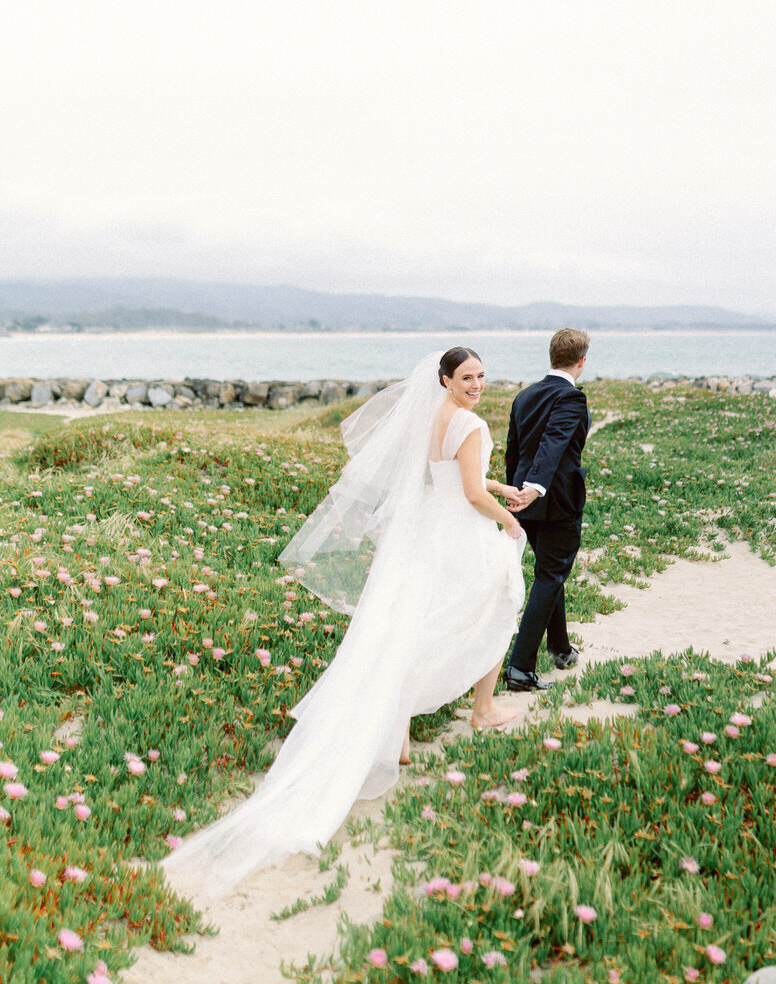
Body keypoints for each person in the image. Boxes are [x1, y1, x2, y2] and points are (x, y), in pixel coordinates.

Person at [161, 348, 525, 895]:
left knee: (411, 624)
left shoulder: (431, 415)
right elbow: (470, 492)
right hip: (460, 532)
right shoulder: (471, 422)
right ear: (446, 379)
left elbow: (448, 478)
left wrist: (495, 489)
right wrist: (510, 522)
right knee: (493, 604)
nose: (477, 384)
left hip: (427, 531)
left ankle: (399, 733)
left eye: (481, 376)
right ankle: (484, 707)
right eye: (467, 377)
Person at [503, 328, 591, 691]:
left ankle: (560, 648)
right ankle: (520, 668)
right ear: (581, 361)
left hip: (524, 500)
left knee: (548, 572)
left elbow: (514, 449)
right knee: (551, 575)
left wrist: (516, 491)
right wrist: (535, 489)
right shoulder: (571, 398)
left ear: (551, 356)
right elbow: (554, 443)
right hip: (554, 501)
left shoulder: (526, 395)